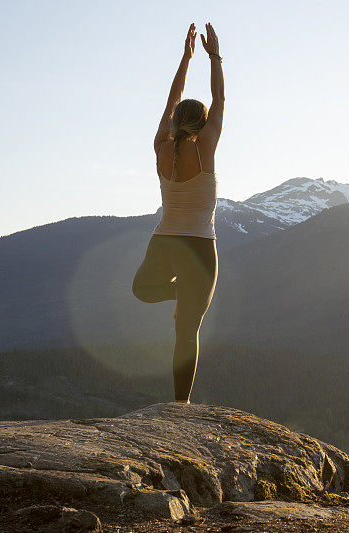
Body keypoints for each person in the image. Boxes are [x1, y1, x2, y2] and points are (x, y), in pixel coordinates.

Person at [132, 23, 225, 404]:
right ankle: (180, 407)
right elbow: (220, 100)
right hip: (200, 248)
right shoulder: (206, 147)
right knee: (187, 332)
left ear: (174, 121)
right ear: (202, 125)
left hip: (165, 242)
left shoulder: (161, 147)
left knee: (142, 289)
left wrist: (185, 58)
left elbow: (172, 99)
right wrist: (214, 57)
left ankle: (177, 293)